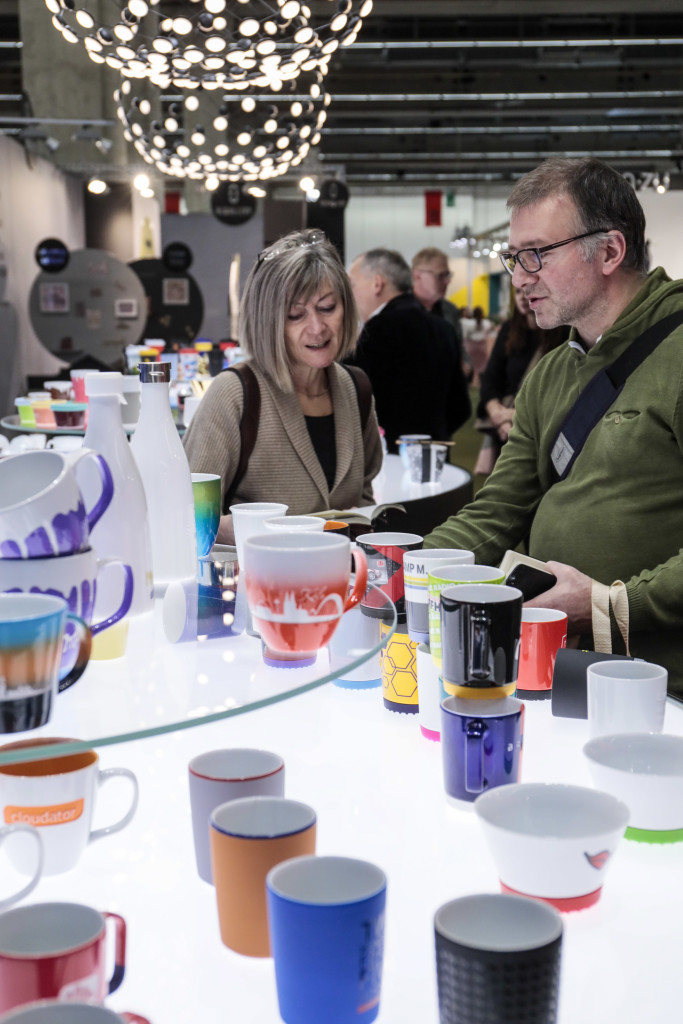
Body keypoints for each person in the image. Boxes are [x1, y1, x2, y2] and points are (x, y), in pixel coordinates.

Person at [425, 156, 683, 695]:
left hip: (660, 685)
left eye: (536, 255)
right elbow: (501, 508)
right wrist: (411, 564)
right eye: (515, 257)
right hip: (558, 666)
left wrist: (610, 606)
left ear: (610, 251)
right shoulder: (551, 372)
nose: (519, 277)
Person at [184, 229, 383, 543]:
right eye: (295, 315)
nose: (317, 328)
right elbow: (185, 515)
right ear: (268, 321)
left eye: (328, 308)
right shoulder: (234, 394)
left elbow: (363, 497)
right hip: (251, 586)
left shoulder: (355, 388)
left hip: (339, 583)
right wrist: (259, 531)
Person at [347, 247, 471, 452]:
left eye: (352, 284)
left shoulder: (377, 331)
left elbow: (349, 398)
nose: (350, 293)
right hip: (435, 454)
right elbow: (460, 407)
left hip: (391, 459)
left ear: (377, 284)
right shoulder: (444, 328)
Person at [473, 286, 566, 474]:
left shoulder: (563, 332)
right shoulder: (509, 329)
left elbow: (560, 392)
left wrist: (511, 417)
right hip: (504, 426)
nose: (523, 297)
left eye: (528, 290)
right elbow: (491, 378)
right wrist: (498, 416)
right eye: (517, 292)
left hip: (541, 428)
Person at [411, 247, 463, 342]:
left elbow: (459, 351)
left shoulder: (451, 311)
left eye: (447, 275)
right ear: (417, 275)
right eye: (440, 275)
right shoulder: (399, 310)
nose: (448, 281)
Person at [460, 305, 494, 383]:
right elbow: (490, 328)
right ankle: (482, 382)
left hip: (470, 346)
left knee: (469, 365)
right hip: (481, 347)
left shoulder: (467, 323)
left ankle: (467, 381)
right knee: (482, 366)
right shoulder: (486, 323)